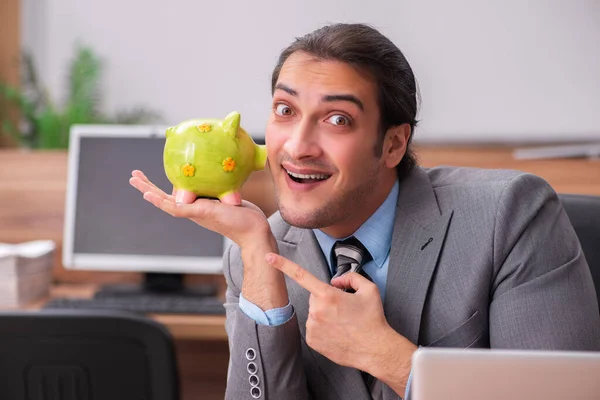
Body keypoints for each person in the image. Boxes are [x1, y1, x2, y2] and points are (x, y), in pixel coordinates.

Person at [130, 23, 600, 400]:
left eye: (338, 119)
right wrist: (257, 259)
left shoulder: (510, 215)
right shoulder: (253, 254)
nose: (297, 147)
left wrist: (389, 357)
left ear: (393, 143)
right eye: (284, 110)